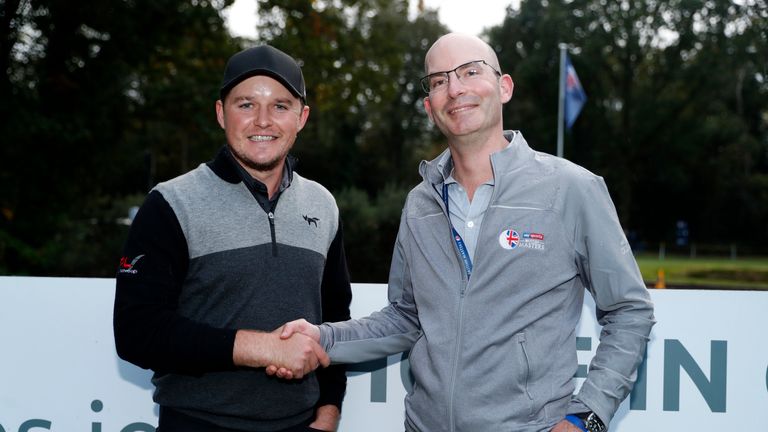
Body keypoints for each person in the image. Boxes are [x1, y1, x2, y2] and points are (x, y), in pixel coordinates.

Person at [275, 33, 655, 432]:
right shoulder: (420, 204)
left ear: (503, 86)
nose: (455, 89)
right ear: (429, 107)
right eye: (439, 81)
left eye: (470, 72)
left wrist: (586, 416)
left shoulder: (571, 188)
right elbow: (406, 318)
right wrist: (321, 338)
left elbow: (630, 310)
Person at [113, 44, 352, 432]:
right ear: (221, 113)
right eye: (245, 105)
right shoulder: (171, 203)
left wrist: (327, 414)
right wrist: (262, 348)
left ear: (302, 117)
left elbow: (335, 322)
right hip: (196, 424)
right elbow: (137, 333)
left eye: (280, 105)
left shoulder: (323, 205)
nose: (262, 121)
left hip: (300, 424)